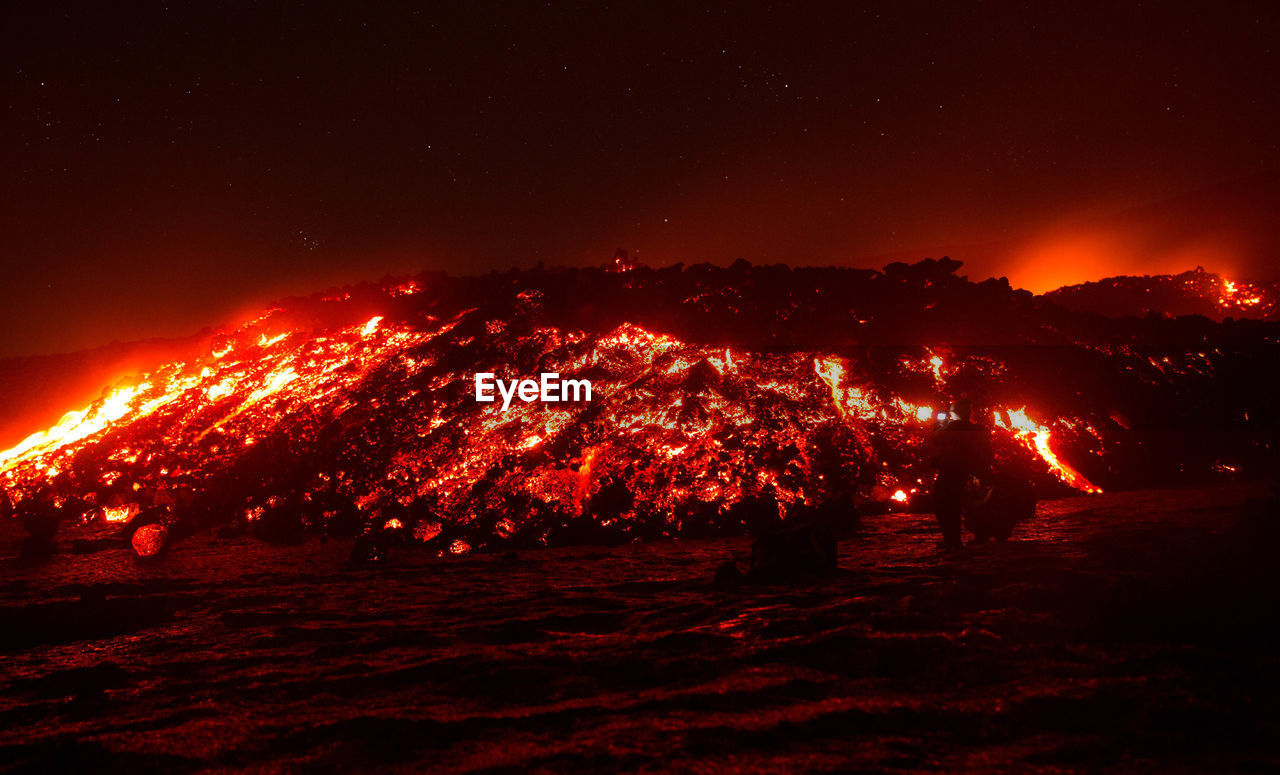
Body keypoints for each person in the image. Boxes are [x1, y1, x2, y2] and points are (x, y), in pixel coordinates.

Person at [929, 398, 992, 550]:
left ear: (954, 413)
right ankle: (980, 537)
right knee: (971, 505)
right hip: (972, 471)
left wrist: (938, 424)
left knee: (945, 505)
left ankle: (952, 540)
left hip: (952, 472)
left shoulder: (950, 429)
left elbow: (936, 438)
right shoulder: (977, 430)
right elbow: (986, 450)